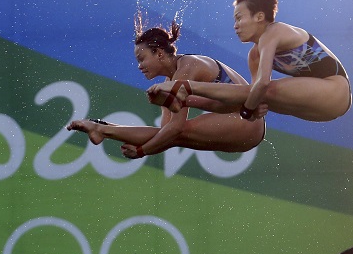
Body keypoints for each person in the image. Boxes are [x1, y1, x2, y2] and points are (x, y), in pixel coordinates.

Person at [146, 0, 351, 122]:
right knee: (253, 96)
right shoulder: (254, 56)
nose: (235, 26)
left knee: (264, 90)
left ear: (259, 16)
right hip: (323, 110)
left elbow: (262, 85)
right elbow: (251, 101)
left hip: (336, 89)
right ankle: (183, 97)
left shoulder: (275, 31)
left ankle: (184, 88)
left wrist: (249, 109)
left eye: (239, 18)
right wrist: (252, 111)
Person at [66, 18, 265, 159]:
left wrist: (143, 151)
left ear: (159, 53)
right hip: (242, 129)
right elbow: (164, 132)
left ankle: (101, 130)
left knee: (177, 134)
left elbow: (175, 130)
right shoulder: (171, 81)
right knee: (168, 135)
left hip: (248, 122)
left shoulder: (188, 67)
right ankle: (100, 127)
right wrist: (116, 132)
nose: (139, 66)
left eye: (142, 58)